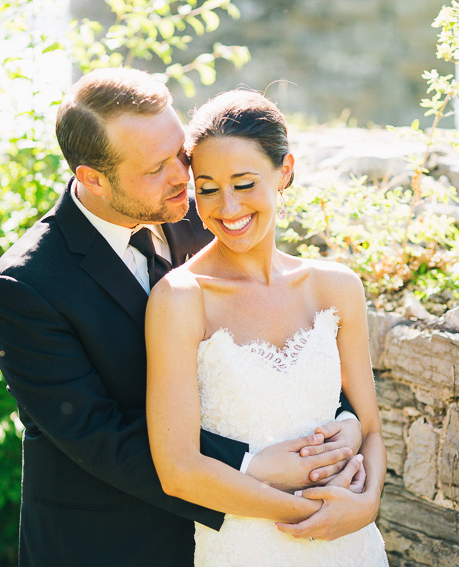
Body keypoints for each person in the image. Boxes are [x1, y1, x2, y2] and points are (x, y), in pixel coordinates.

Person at [0, 68, 366, 567]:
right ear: (93, 179)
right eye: (156, 166)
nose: (183, 176)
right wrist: (251, 464)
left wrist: (345, 424)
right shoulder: (27, 286)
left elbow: (277, 322)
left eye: (179, 152)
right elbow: (99, 434)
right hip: (110, 541)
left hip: (237, 538)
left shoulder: (208, 205)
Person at [145, 89, 389, 566]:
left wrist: (366, 506)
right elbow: (178, 471)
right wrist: (309, 511)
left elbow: (372, 429)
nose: (227, 207)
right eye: (209, 187)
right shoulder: (180, 299)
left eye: (244, 183)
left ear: (285, 172)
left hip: (350, 546)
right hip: (245, 547)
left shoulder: (336, 287)